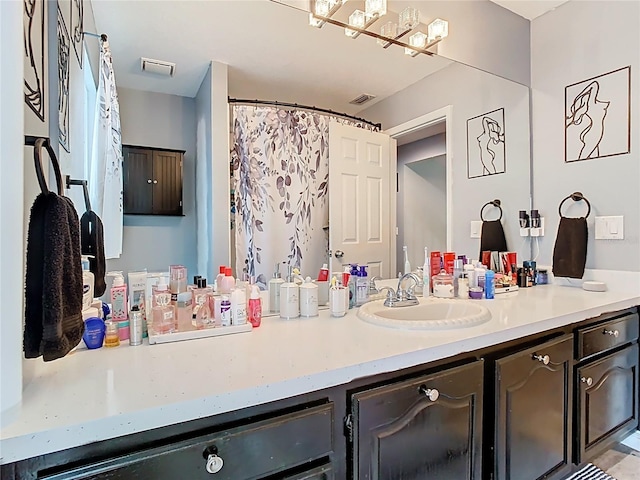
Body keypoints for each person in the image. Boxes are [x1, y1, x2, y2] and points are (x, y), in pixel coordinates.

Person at [566, 80, 610, 160]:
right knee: (583, 160)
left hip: (592, 132)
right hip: (595, 133)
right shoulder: (592, 104)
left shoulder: (589, 107)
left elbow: (594, 85)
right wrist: (578, 97)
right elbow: (594, 84)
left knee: (594, 160)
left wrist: (578, 98)